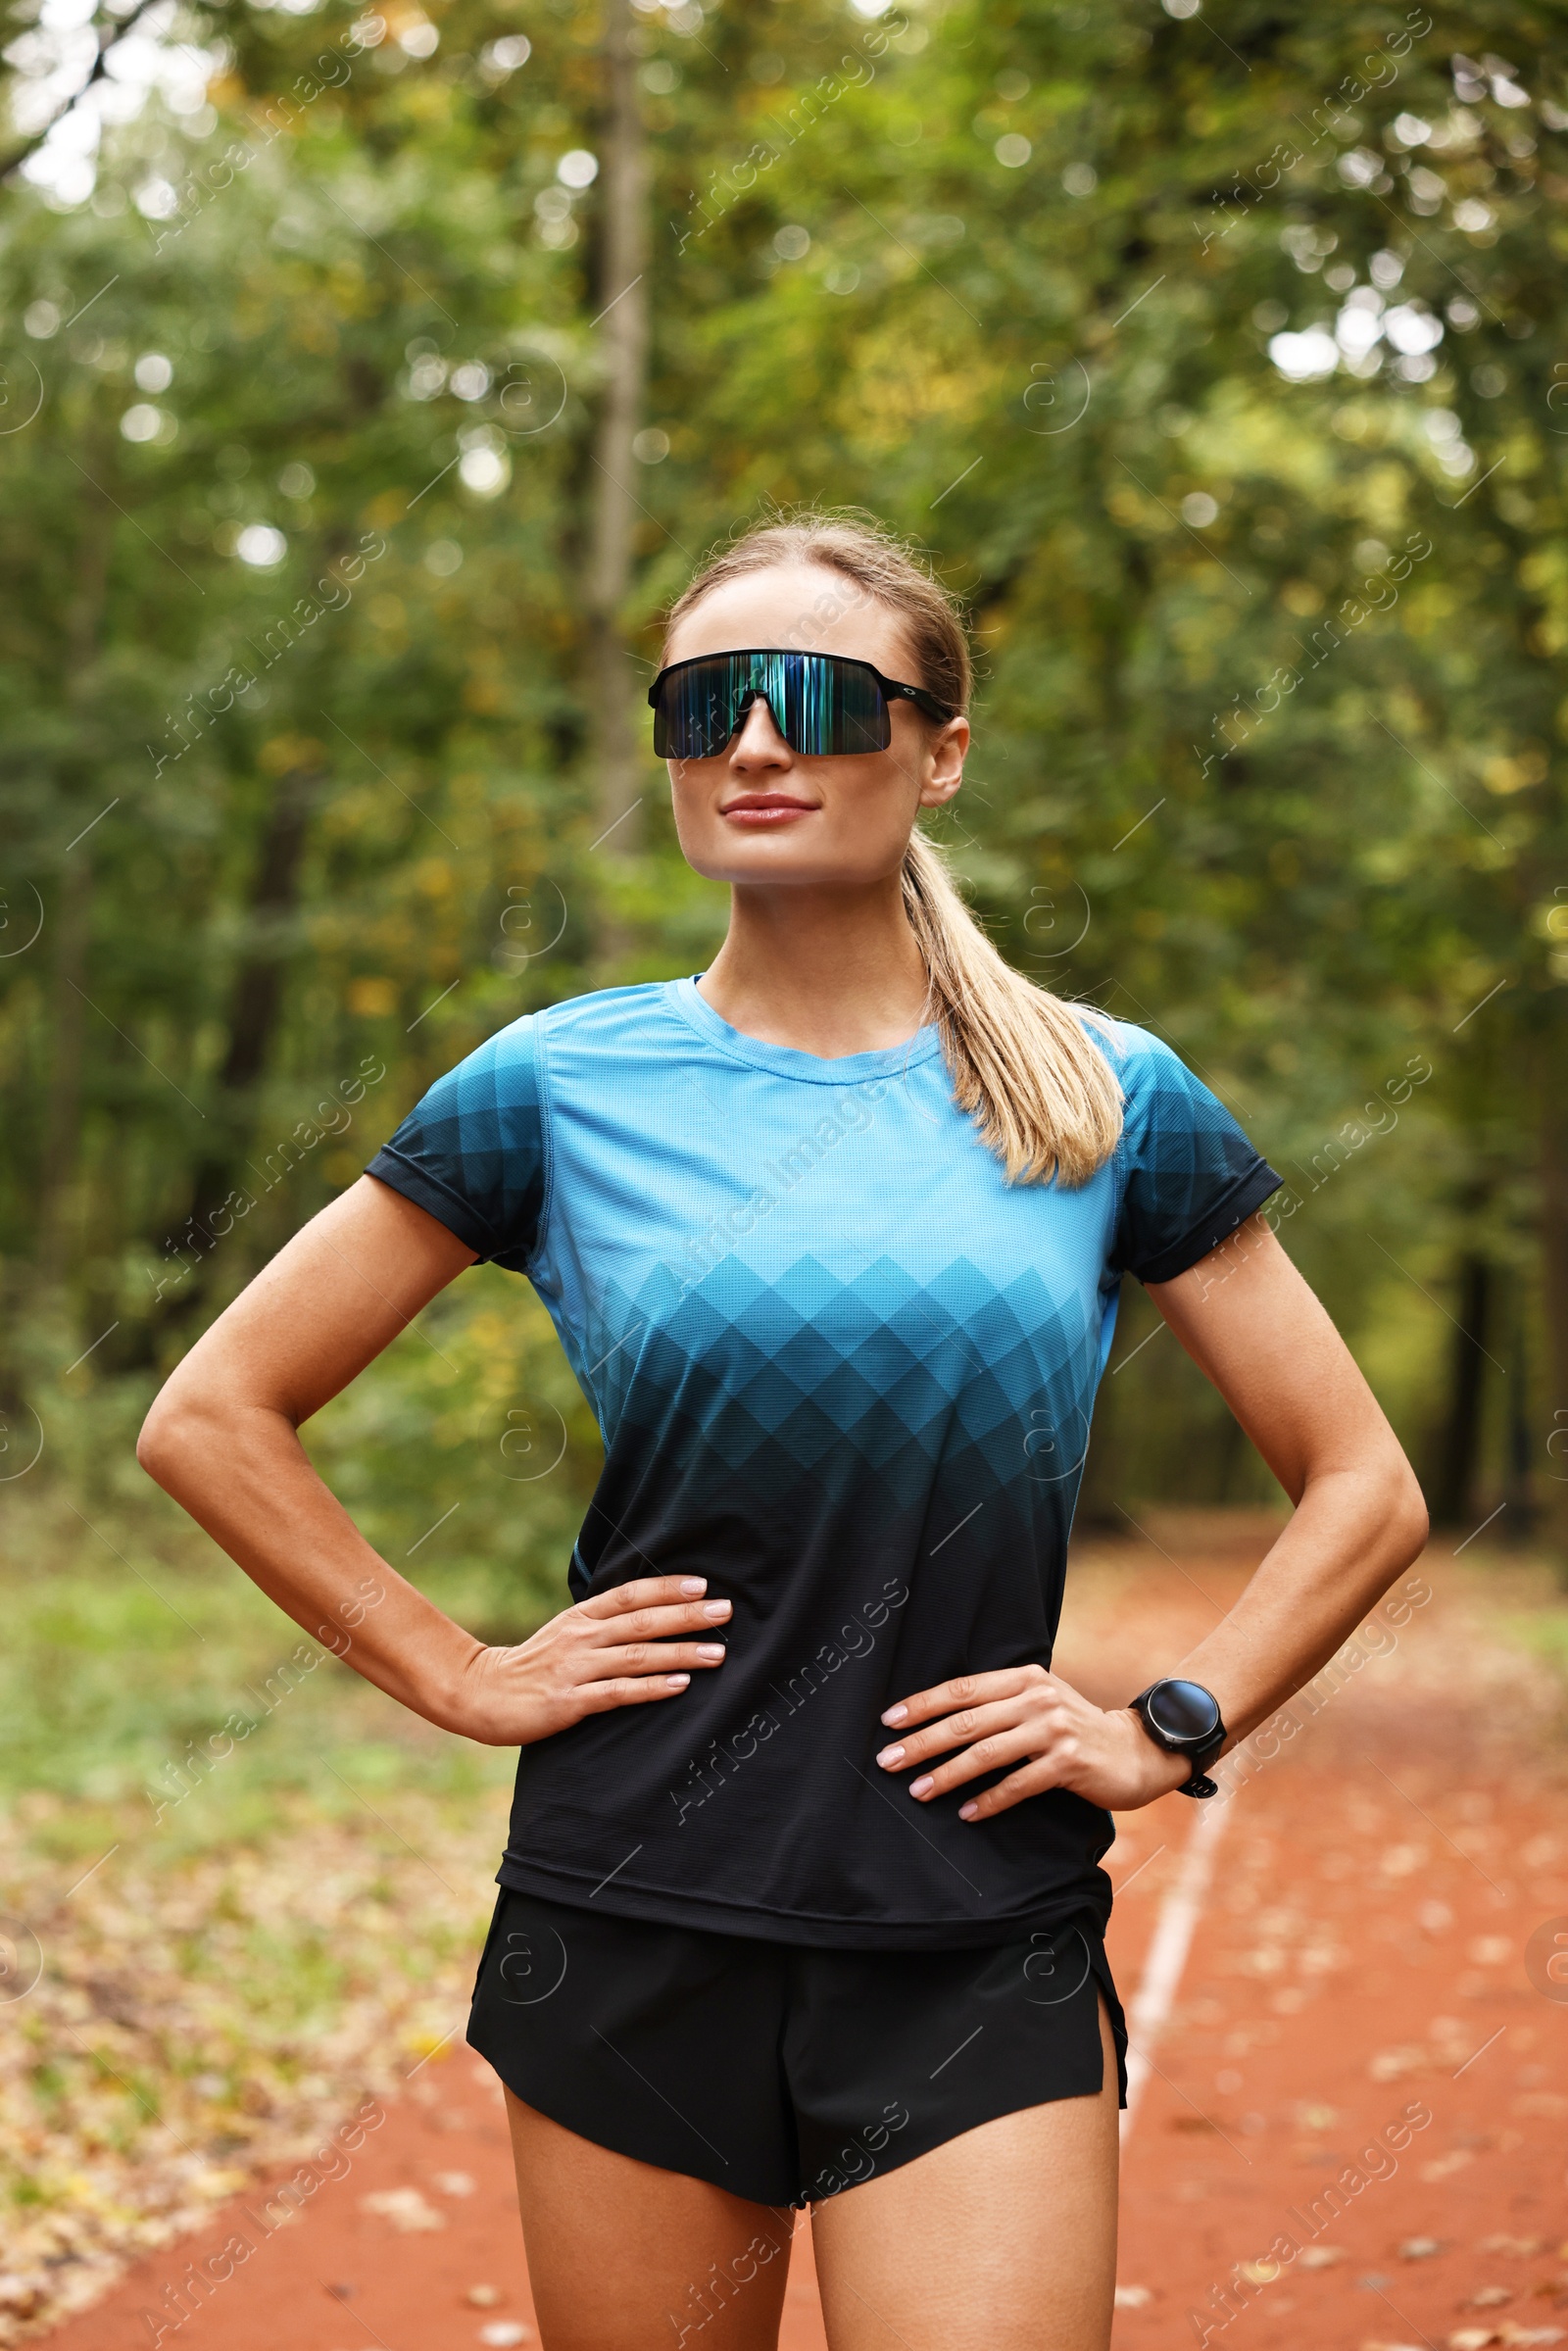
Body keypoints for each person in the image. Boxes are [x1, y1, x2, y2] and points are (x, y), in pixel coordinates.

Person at [137, 513, 1429, 2351]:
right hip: (633, 1908)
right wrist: (456, 1672)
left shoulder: (1102, 1097)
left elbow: (1366, 1486)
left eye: (817, 698)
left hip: (973, 1917)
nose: (755, 744)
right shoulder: (555, 1086)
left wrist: (1169, 1725)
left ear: (938, 749)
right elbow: (213, 1415)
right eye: (703, 704)